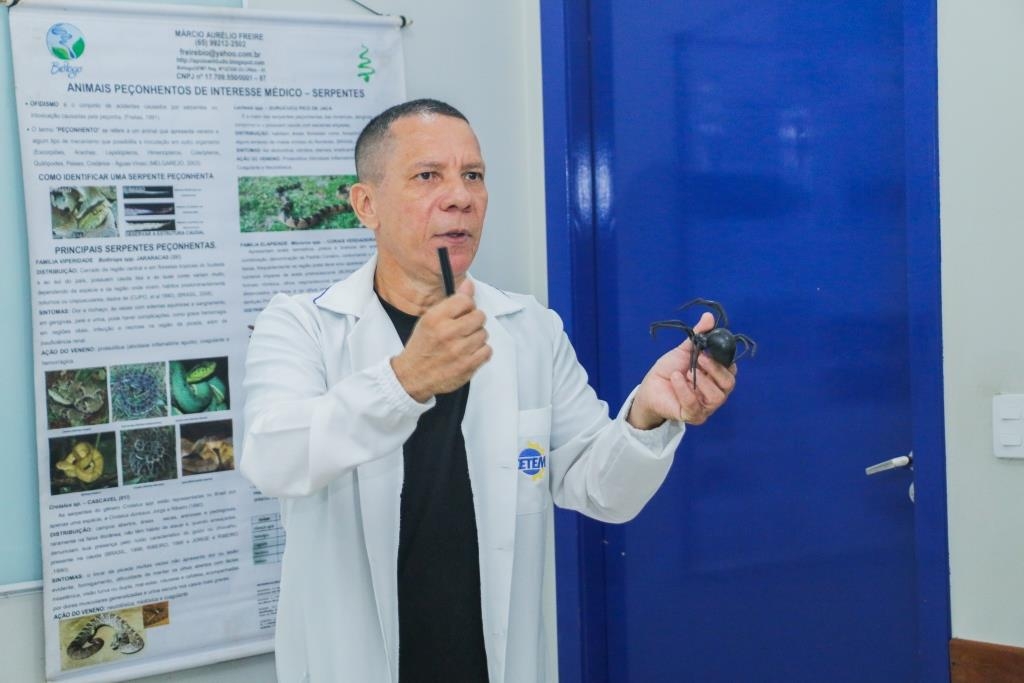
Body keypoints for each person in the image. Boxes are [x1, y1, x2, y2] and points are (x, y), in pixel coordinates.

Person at [240, 98, 737, 683]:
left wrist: (648, 414)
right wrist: (406, 380)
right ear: (366, 204)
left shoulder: (529, 329)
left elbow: (601, 489)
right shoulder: (303, 325)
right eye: (428, 176)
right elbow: (273, 458)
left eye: (473, 175)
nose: (460, 197)